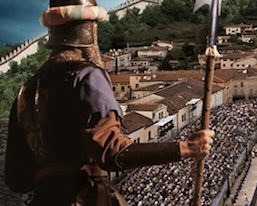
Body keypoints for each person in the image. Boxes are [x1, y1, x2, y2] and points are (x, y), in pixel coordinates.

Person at [3, 1, 214, 205]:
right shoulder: (88, 76)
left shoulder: (26, 90)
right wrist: (186, 148)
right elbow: (112, 154)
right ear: (90, 30)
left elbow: (17, 180)